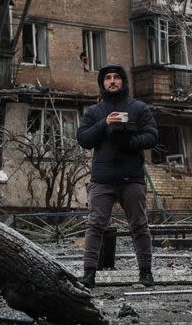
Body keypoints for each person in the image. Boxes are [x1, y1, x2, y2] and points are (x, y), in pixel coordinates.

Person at [76, 63, 159, 289]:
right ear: (102, 83)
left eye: (116, 77)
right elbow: (83, 139)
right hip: (102, 179)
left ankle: (145, 273)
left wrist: (131, 141)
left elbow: (152, 136)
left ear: (123, 81)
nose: (112, 81)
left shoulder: (139, 108)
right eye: (107, 78)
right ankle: (89, 274)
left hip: (132, 178)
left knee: (139, 226)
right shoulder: (94, 112)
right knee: (95, 226)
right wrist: (105, 123)